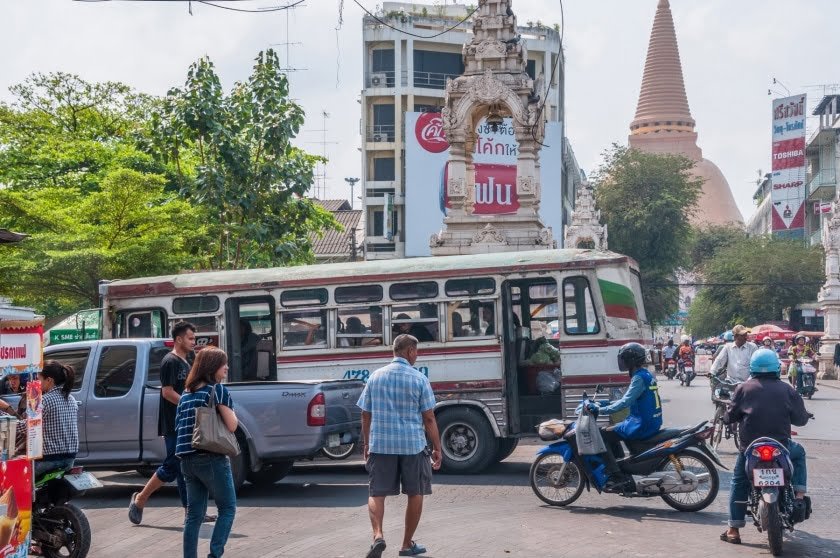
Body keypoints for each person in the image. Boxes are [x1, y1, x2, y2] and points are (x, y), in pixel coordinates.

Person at [357, 334, 442, 558]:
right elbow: (429, 418)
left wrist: (367, 443)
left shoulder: (375, 377)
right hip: (412, 446)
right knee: (416, 493)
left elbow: (365, 415)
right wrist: (437, 448)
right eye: (417, 351)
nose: (417, 355)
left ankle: (378, 536)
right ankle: (406, 545)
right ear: (409, 351)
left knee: (376, 493)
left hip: (381, 444)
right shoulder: (418, 379)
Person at [720, 348, 811, 545]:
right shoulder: (787, 389)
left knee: (739, 481)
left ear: (752, 369)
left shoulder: (743, 388)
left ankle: (733, 529)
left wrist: (727, 415)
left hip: (750, 450)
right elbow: (800, 419)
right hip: (781, 447)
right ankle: (800, 496)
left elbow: (730, 416)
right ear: (777, 368)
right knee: (799, 453)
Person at [129, 321, 207, 525]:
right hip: (173, 423)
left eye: (194, 338)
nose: (193, 342)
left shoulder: (187, 360)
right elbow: (167, 392)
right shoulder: (169, 361)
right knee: (173, 464)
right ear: (179, 339)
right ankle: (140, 500)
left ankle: (191, 511)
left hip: (186, 422)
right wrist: (188, 403)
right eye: (190, 338)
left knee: (185, 466)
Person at [176, 347, 238, 558]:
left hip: (186, 460)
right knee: (228, 508)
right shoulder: (216, 390)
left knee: (194, 515)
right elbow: (232, 425)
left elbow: (179, 427)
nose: (226, 368)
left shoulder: (185, 394)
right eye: (224, 364)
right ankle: (214, 555)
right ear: (213, 367)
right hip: (210, 457)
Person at [587, 342, 663, 493]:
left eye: (622, 358)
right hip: (651, 421)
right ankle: (620, 464)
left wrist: (601, 409)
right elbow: (629, 398)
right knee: (610, 431)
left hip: (640, 423)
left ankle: (616, 474)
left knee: (602, 434)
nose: (620, 362)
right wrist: (604, 402)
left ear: (630, 360)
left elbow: (625, 402)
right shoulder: (645, 374)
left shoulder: (638, 378)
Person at [20, 361, 79, 477]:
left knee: (19, 477)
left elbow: (27, 426)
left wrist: (8, 424)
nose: (37, 382)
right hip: (70, 458)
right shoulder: (71, 399)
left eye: (39, 379)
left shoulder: (43, 400)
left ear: (49, 380)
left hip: (48, 460)